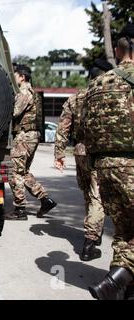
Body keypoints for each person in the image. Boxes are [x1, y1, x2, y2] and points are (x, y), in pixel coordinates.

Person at [85, 24, 134, 300]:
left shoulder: (97, 84)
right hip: (131, 165)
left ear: (118, 49)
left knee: (126, 231)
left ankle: (125, 289)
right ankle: (115, 281)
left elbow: (86, 129)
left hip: (104, 168)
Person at [54, 59, 113, 262]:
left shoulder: (76, 97)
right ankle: (90, 242)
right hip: (99, 151)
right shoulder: (106, 94)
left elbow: (63, 128)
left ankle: (93, 230)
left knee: (89, 194)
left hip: (79, 151)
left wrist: (59, 154)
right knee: (97, 197)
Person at [6, 64, 57, 221]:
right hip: (30, 135)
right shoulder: (31, 91)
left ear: (22, 76)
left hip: (24, 136)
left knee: (14, 172)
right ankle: (44, 199)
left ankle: (20, 209)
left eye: (15, 74)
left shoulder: (24, 91)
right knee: (24, 172)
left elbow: (14, 112)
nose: (14, 77)